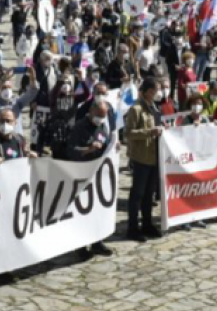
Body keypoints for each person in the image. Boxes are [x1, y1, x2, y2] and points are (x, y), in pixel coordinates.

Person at [68, 99, 115, 258]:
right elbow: (71, 151)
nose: (101, 119)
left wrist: (112, 146)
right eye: (100, 115)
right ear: (92, 111)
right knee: (82, 211)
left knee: (97, 209)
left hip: (98, 174)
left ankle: (97, 242)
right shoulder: (80, 127)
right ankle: (80, 246)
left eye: (104, 116)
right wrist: (88, 149)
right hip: (81, 174)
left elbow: (105, 141)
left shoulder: (101, 125)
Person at [124, 77, 163, 242]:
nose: (157, 93)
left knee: (149, 194)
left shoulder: (155, 108)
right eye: (155, 90)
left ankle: (147, 223)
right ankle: (133, 227)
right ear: (147, 91)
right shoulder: (136, 109)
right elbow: (128, 133)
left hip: (154, 157)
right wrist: (149, 132)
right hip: (141, 158)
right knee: (137, 194)